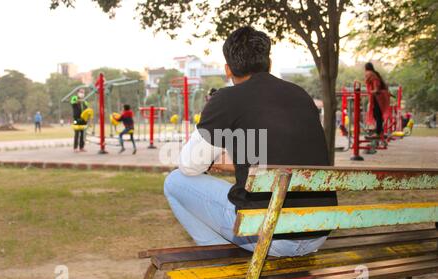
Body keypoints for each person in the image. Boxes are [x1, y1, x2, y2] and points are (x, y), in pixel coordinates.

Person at [163, 27, 337, 257]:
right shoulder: (300, 95)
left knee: (175, 181)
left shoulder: (226, 99)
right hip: (317, 232)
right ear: (269, 63)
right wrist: (237, 165)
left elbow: (189, 164)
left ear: (228, 69)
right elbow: (286, 157)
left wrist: (210, 158)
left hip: (270, 236)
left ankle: (221, 259)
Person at [364, 62, 390, 138]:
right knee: (376, 114)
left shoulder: (370, 74)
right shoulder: (375, 74)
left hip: (378, 97)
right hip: (380, 96)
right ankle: (380, 130)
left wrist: (370, 92)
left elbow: (376, 89)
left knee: (377, 114)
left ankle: (378, 132)